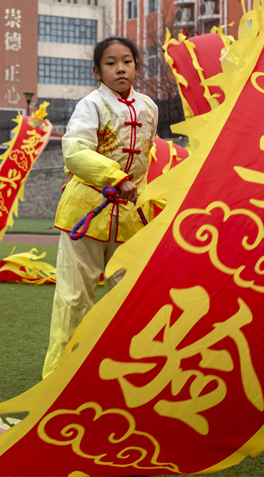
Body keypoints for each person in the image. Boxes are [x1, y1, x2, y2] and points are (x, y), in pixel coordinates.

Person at [42, 37, 158, 378]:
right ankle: (59, 381)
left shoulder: (150, 107)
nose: (120, 68)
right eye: (110, 63)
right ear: (97, 71)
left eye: (126, 61)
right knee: (74, 300)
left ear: (137, 66)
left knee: (132, 302)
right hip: (87, 212)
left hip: (130, 219)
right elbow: (75, 151)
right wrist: (116, 177)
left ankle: (126, 379)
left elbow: (149, 160)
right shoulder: (90, 105)